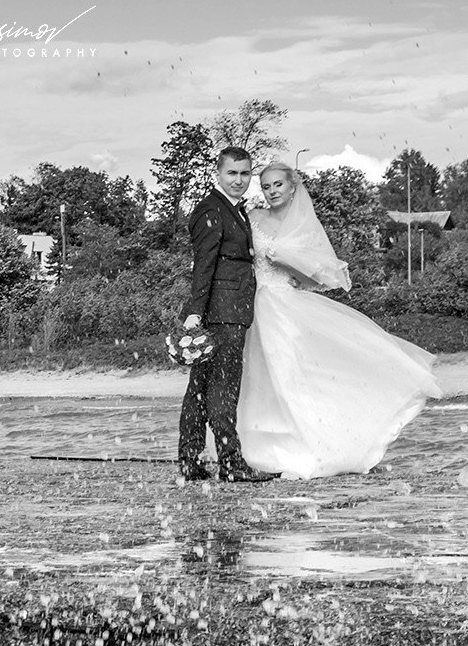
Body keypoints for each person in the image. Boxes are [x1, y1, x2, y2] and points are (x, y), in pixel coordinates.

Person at [233, 162, 443, 478]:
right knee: (261, 380)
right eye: (266, 186)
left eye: (277, 184)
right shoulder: (253, 219)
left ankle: (310, 448)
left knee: (290, 374)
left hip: (285, 306)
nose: (272, 191)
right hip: (255, 305)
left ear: (292, 186)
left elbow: (315, 278)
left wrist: (287, 262)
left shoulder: (303, 225)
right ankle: (265, 451)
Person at [177, 147, 270, 483]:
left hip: (229, 310)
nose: (239, 181)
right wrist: (194, 313)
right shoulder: (210, 211)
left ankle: (190, 461)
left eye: (245, 174)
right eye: (232, 173)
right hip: (221, 312)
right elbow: (203, 265)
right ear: (219, 173)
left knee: (200, 388)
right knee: (222, 388)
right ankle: (230, 463)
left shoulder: (234, 210)